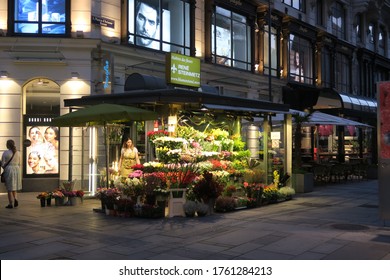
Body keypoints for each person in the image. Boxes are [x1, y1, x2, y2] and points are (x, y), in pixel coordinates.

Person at [1, 139, 22, 209]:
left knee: (9, 187)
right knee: (14, 186)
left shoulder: (5, 153)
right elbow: (19, 163)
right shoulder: (18, 153)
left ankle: (10, 203)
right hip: (16, 169)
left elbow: (3, 164)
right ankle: (16, 198)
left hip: (9, 170)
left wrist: (2, 165)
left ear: (7, 145)